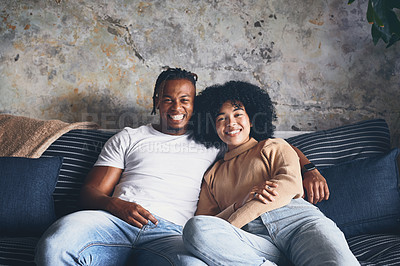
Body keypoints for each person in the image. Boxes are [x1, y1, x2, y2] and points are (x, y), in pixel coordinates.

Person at [35, 68, 329, 266]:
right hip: (113, 222)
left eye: (185, 100)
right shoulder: (128, 137)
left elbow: (267, 143)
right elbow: (89, 192)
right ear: (156, 102)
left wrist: (309, 168)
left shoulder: (212, 140)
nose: (176, 107)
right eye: (168, 99)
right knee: (55, 244)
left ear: (194, 105)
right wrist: (117, 205)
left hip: (173, 234)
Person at [183, 81, 359, 266]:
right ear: (213, 127)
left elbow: (289, 184)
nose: (231, 123)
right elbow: (206, 222)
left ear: (251, 120)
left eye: (238, 115)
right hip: (253, 241)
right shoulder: (212, 175)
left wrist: (237, 216)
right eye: (221, 119)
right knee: (194, 229)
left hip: (298, 224)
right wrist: (238, 205)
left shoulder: (273, 146)